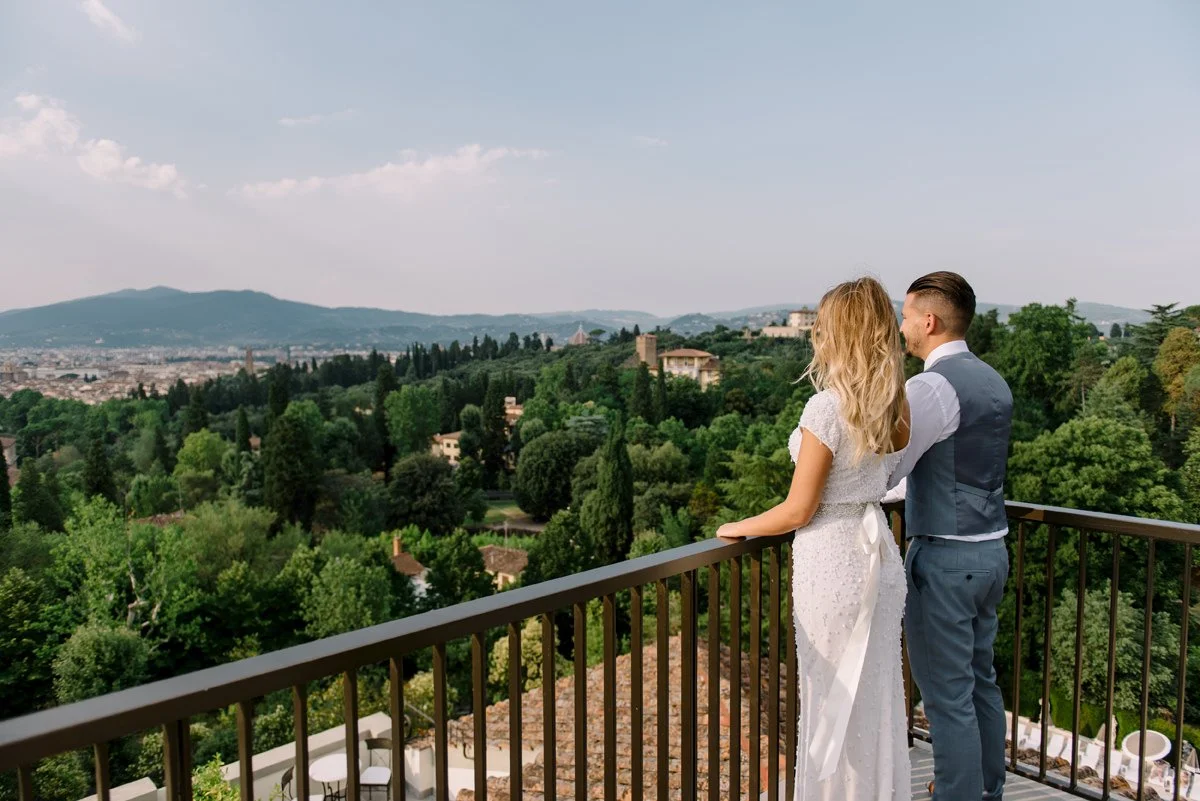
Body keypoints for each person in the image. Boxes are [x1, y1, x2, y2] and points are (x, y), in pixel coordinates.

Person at [718, 276, 911, 801]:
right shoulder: (895, 406)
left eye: (822, 329)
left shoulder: (826, 408)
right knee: (874, 695)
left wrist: (737, 526)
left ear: (840, 335)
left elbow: (798, 508)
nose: (815, 338)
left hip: (833, 561)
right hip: (877, 557)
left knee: (832, 693)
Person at [888, 270, 1014, 800]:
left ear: (930, 320)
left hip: (946, 560)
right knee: (981, 681)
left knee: (946, 699)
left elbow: (891, 470)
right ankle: (989, 789)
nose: (902, 325)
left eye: (907, 315)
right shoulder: (993, 380)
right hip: (991, 553)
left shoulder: (930, 386)